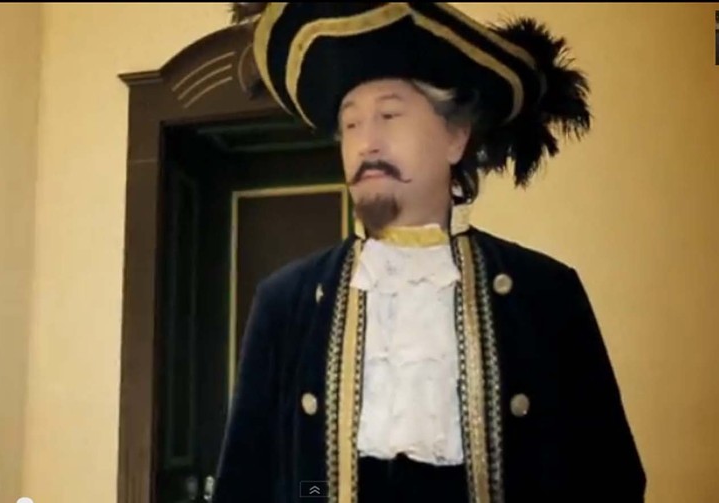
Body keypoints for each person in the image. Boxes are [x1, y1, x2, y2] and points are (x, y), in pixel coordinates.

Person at [211, 3, 646, 502]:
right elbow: (253, 483)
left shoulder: (545, 293)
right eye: (350, 125)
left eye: (389, 115)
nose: (366, 143)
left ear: (455, 137)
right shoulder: (286, 302)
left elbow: (610, 479)